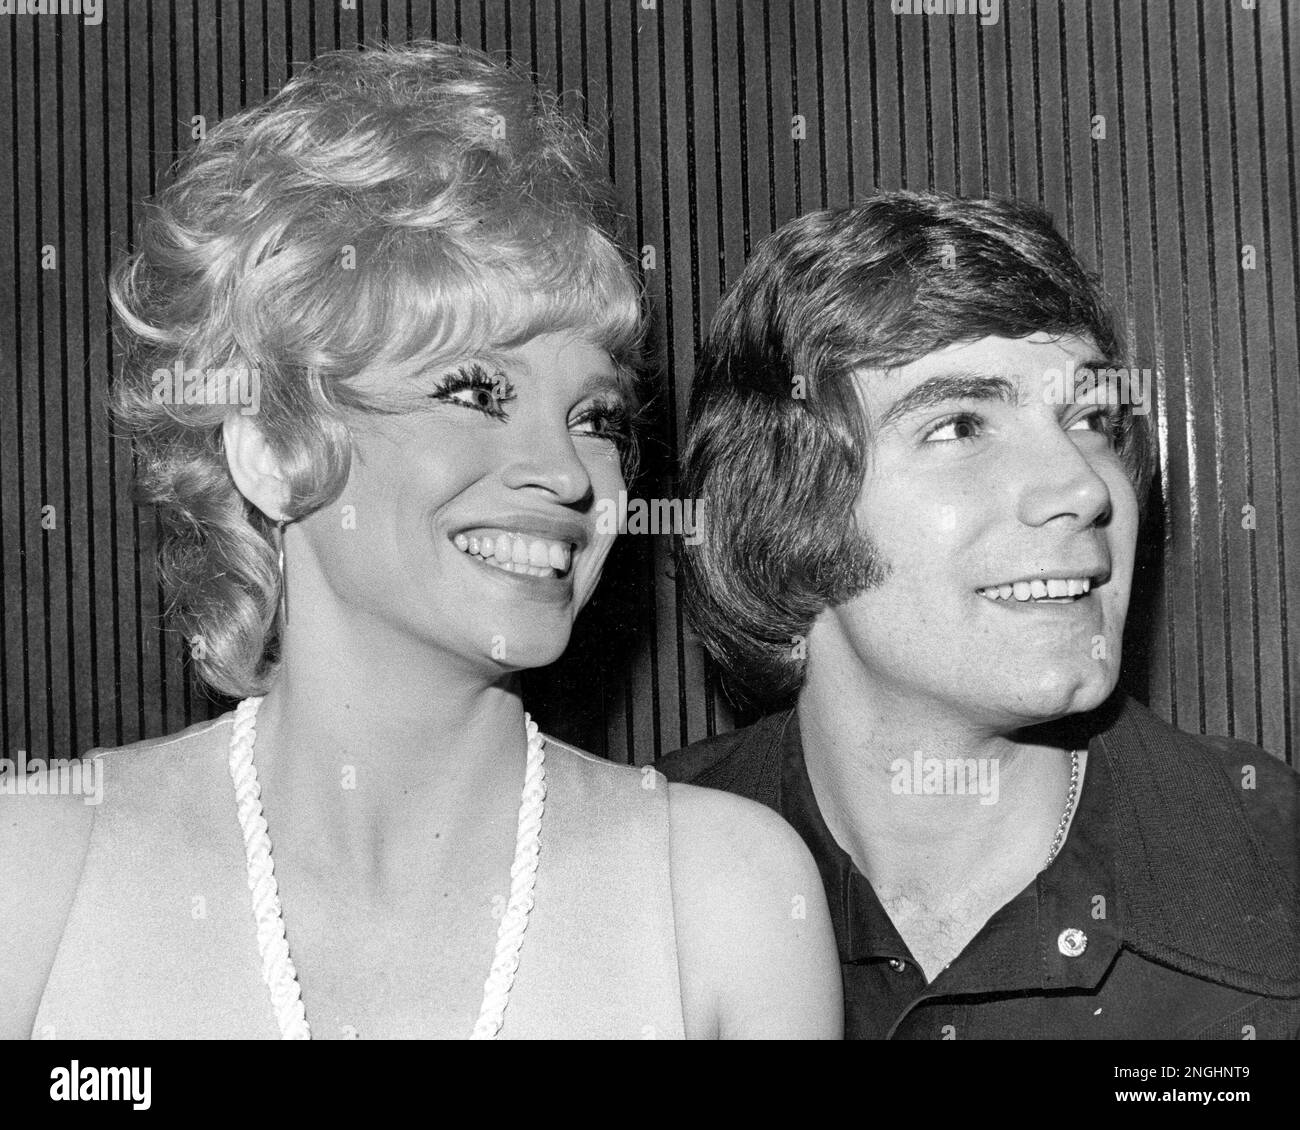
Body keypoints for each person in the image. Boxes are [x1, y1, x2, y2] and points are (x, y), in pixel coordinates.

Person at [0, 41, 840, 1040]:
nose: (568, 473)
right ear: (271, 445)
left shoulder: (722, 896)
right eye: (475, 392)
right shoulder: (39, 869)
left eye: (597, 417)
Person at [660, 191, 1300, 1039]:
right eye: (962, 424)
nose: (1080, 486)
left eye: (1091, 418)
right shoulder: (618, 876)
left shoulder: (1276, 872)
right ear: (775, 511)